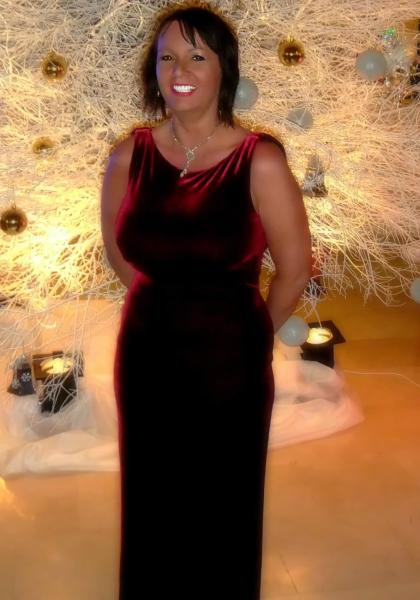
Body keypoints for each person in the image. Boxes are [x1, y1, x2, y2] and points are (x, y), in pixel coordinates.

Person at [100, 4, 312, 599]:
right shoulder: (128, 154)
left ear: (225, 69)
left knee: (224, 512)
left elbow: (295, 271)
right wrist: (163, 308)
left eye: (197, 56)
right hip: (145, 360)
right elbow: (119, 252)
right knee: (151, 507)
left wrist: (247, 332)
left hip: (230, 368)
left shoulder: (259, 160)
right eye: (167, 57)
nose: (180, 70)